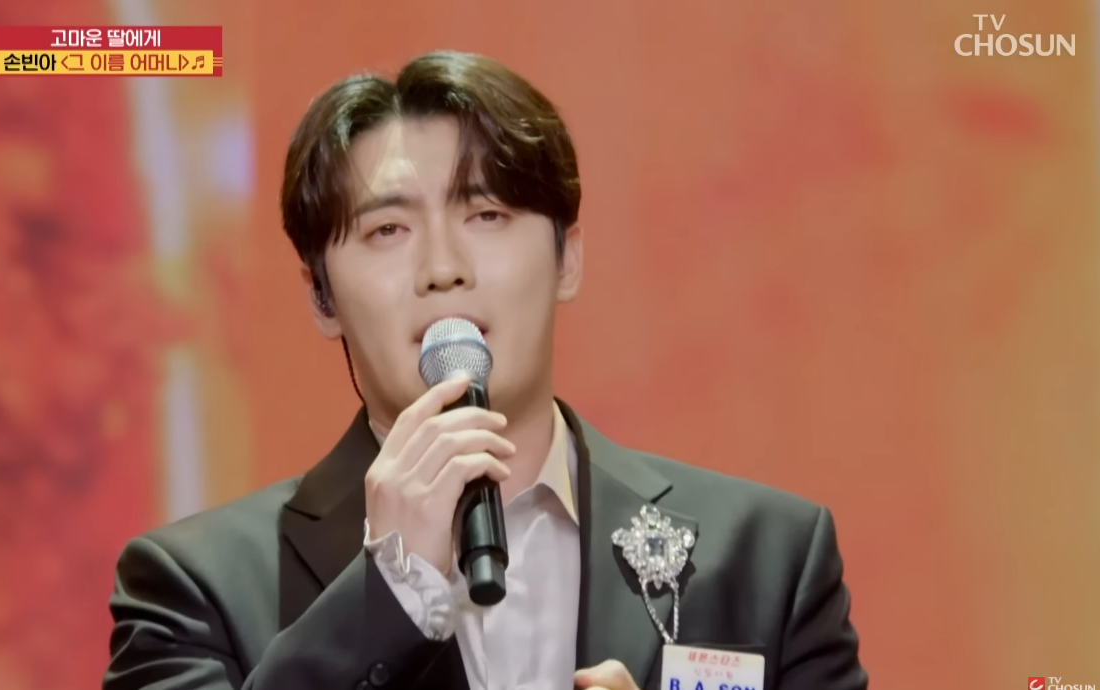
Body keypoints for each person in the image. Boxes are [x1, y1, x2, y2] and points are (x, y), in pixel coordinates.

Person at [104, 50, 868, 690]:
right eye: (387, 229)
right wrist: (388, 591)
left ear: (567, 258)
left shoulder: (767, 557)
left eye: (487, 215)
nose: (443, 268)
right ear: (321, 296)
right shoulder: (194, 587)